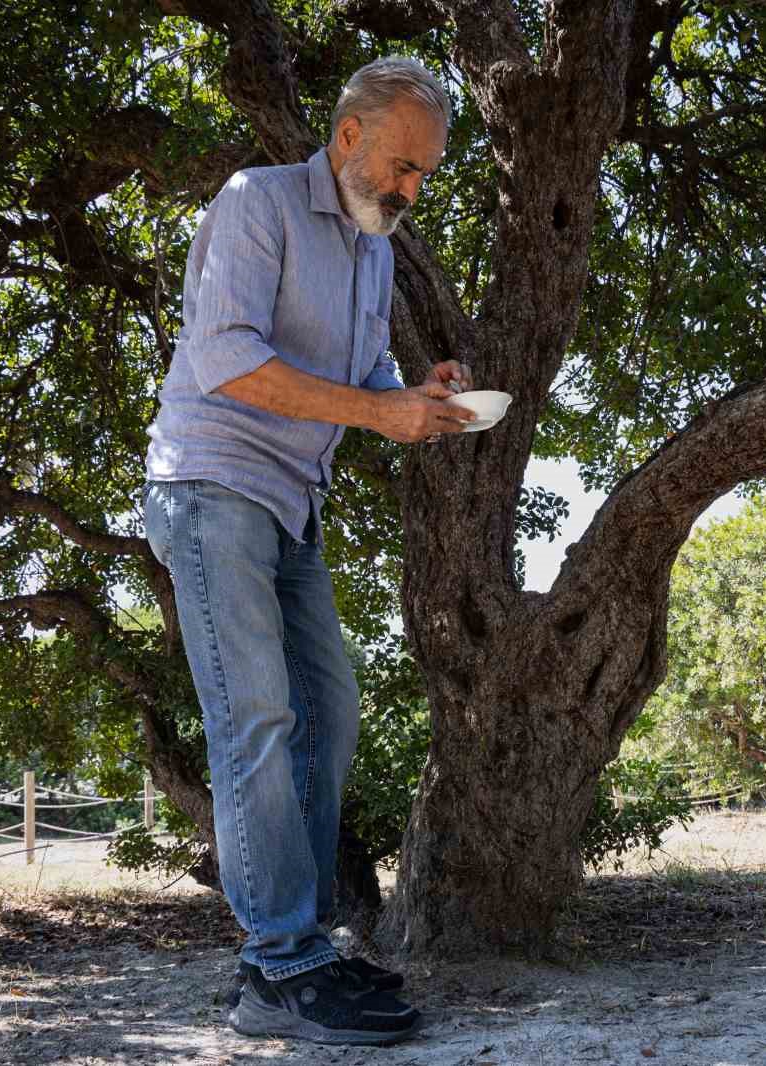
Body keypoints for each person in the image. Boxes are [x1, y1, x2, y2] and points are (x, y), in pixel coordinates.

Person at [141, 57, 472, 1046]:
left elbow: (362, 367)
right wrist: (375, 407)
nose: (412, 190)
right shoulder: (256, 204)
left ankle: (297, 953)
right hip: (209, 483)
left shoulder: (372, 247)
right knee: (257, 714)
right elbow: (227, 358)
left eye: (426, 174)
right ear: (347, 139)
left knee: (327, 706)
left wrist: (416, 393)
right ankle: (279, 964)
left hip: (290, 499)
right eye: (403, 166)